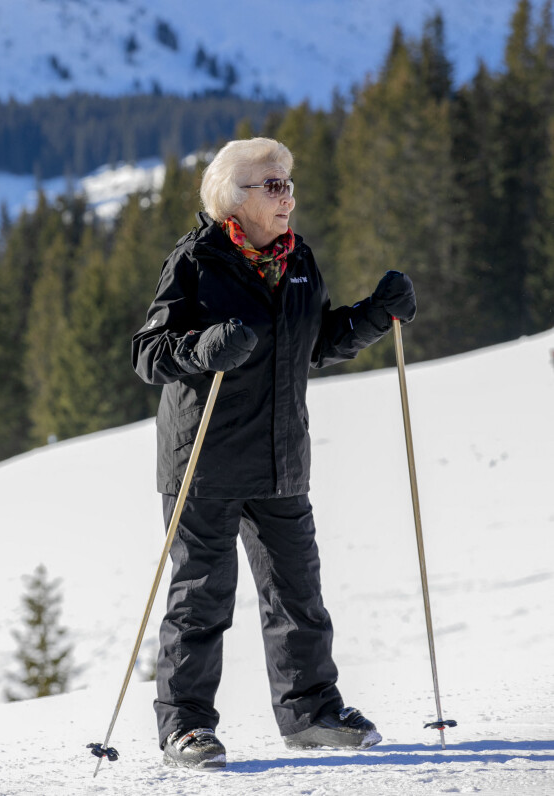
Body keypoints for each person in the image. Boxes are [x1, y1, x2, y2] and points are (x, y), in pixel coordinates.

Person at [132, 137, 416, 770]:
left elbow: (315, 343)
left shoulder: (299, 260)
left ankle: (311, 714)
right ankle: (186, 727)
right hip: (202, 459)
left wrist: (376, 314)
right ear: (234, 197)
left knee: (298, 594)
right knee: (200, 599)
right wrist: (205, 347)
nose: (288, 195)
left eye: (288, 182)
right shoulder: (197, 260)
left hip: (281, 456)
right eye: (273, 184)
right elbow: (149, 353)